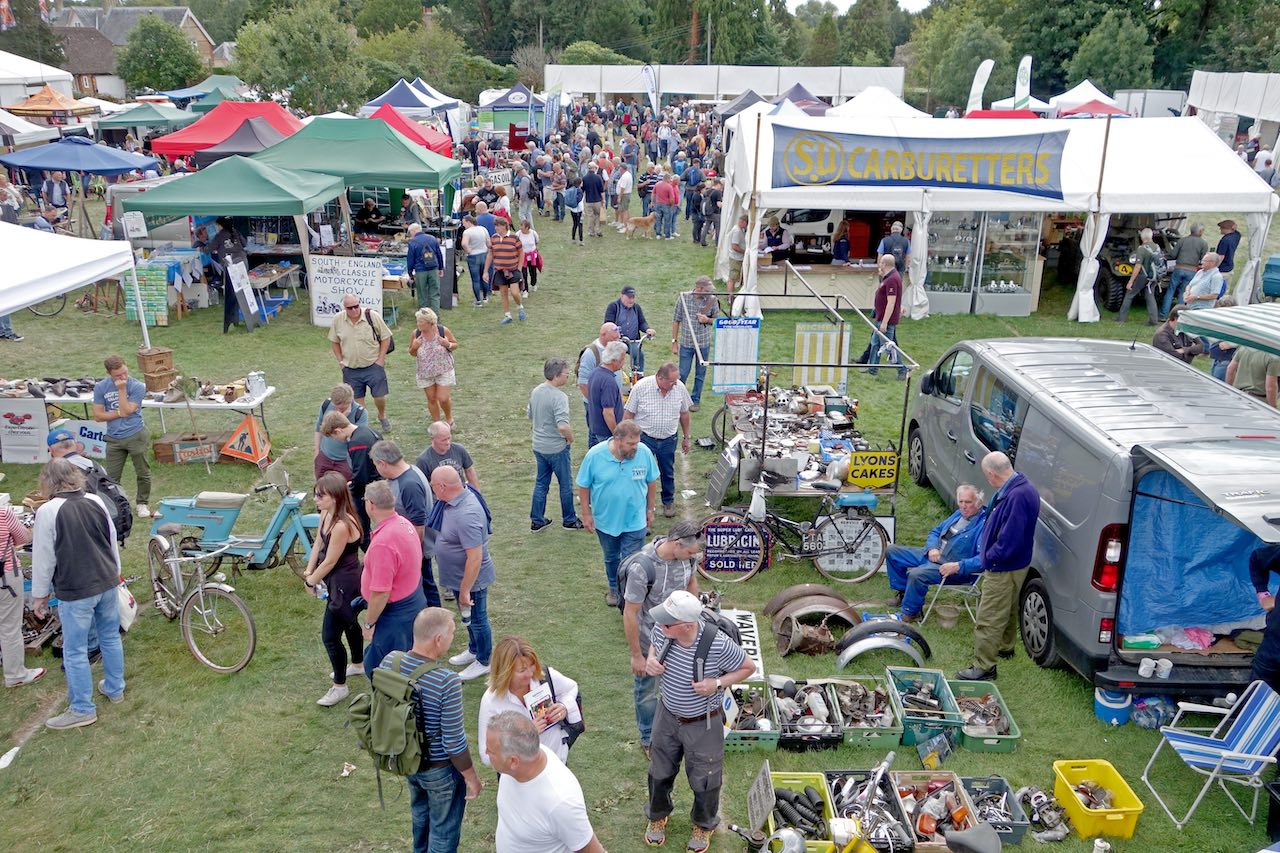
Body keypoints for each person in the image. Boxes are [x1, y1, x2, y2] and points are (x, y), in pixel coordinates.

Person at [642, 590, 754, 851]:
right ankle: (657, 816)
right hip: (667, 715)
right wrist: (650, 660)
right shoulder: (664, 630)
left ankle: (703, 826)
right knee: (659, 771)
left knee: (706, 778)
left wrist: (716, 683)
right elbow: (655, 644)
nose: (660, 625)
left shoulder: (717, 644)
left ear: (687, 625)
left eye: (667, 622)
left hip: (703, 723)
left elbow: (748, 667)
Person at [31, 459, 125, 729]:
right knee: (109, 636)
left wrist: (39, 596)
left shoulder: (48, 511)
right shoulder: (96, 501)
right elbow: (111, 540)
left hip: (76, 590)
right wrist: (115, 573)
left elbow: (44, 558)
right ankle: (115, 688)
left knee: (75, 650)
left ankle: (82, 708)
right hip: (106, 581)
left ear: (48, 481)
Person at [381, 606, 483, 853]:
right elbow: (454, 742)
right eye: (451, 634)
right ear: (438, 639)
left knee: (420, 818)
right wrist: (471, 777)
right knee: (443, 833)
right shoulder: (447, 680)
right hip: (440, 771)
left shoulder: (390, 661)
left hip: (407, 760)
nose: (452, 638)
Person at [949, 451, 1041, 680]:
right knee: (1008, 606)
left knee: (988, 616)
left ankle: (984, 666)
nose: (987, 480)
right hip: (1015, 563)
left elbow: (1009, 540)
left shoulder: (1017, 496)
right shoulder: (1020, 485)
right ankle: (1005, 647)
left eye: (986, 475)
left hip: (1003, 565)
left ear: (991, 474)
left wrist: (990, 557)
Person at [622, 522, 702, 755]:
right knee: (647, 692)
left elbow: (691, 582)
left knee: (682, 685)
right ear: (676, 544)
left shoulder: (688, 557)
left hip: (682, 639)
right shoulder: (642, 567)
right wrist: (637, 656)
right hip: (651, 643)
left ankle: (679, 729)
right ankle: (648, 738)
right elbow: (630, 612)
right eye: (689, 552)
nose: (692, 557)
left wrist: (694, 616)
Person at [489, 712, 604, 853]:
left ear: (513, 761)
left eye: (490, 751)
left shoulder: (561, 803)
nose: (485, 752)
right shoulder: (527, 756)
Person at [577, 421, 658, 606]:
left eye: (637, 443)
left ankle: (631, 595)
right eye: (631, 444)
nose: (635, 447)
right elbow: (583, 485)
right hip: (606, 521)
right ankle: (614, 588)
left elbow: (652, 481)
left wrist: (650, 509)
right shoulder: (595, 455)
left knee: (633, 561)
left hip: (635, 520)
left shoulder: (644, 452)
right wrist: (586, 514)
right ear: (617, 439)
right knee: (611, 558)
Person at [303, 472, 364, 707]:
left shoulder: (341, 525)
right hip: (335, 581)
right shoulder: (326, 514)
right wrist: (308, 572)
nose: (316, 499)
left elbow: (329, 560)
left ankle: (340, 686)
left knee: (329, 637)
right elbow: (318, 543)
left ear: (336, 497)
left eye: (321, 495)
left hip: (345, 585)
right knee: (349, 624)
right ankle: (358, 664)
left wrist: (311, 582)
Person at [885, 485, 989, 623]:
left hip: (951, 568)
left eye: (968, 502)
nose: (963, 506)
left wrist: (958, 566)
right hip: (934, 556)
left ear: (979, 503)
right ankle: (904, 593)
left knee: (917, 574)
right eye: (961, 501)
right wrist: (932, 547)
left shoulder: (984, 526)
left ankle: (912, 612)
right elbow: (935, 531)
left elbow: (982, 560)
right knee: (892, 551)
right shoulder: (959, 514)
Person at [429, 466, 495, 682]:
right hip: (458, 577)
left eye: (433, 486)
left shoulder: (467, 513)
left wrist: (466, 590)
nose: (432, 490)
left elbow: (475, 557)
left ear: (442, 486)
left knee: (477, 619)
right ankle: (474, 649)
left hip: (471, 580)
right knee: (469, 617)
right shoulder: (451, 502)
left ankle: (484, 660)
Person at [359, 480, 428, 679]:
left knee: (385, 671)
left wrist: (369, 624)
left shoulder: (384, 542)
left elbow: (381, 592)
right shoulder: (404, 523)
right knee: (409, 662)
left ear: (370, 505)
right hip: (413, 600)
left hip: (394, 615)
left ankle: (392, 708)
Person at [479, 638, 582, 767]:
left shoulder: (545, 676)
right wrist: (524, 735)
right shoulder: (491, 701)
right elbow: (486, 755)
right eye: (522, 670)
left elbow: (572, 687)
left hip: (556, 762)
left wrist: (564, 706)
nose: (530, 674)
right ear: (505, 671)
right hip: (519, 775)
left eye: (531, 665)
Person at [371, 440, 441, 608]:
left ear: (383, 463)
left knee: (425, 585)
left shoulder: (408, 484)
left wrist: (413, 553)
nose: (376, 470)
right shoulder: (409, 471)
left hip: (416, 547)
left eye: (376, 465)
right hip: (410, 545)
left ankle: (435, 620)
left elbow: (419, 525)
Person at [624, 363, 691, 519]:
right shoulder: (641, 387)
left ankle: (668, 501)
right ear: (660, 378)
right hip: (645, 439)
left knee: (667, 472)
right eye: (671, 382)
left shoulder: (679, 388)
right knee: (641, 473)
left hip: (669, 439)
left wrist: (686, 437)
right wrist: (626, 439)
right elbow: (628, 414)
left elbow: (685, 414)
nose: (675, 385)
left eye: (676, 381)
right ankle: (642, 507)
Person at [92, 354, 151, 518]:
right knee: (111, 476)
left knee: (142, 472)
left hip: (136, 434)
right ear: (108, 373)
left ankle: (142, 503)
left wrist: (121, 389)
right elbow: (98, 416)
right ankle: (114, 506)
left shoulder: (137, 386)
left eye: (124, 372)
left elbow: (127, 411)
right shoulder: (101, 387)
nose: (123, 377)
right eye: (118, 375)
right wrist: (119, 412)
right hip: (113, 437)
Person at [529, 358, 583, 532]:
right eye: (566, 374)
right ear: (556, 376)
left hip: (538, 445)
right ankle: (569, 520)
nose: (568, 377)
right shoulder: (559, 397)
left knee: (541, 483)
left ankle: (537, 520)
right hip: (556, 448)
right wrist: (570, 438)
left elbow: (530, 414)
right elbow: (562, 425)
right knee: (565, 484)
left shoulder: (536, 391)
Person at [329, 294, 393, 432]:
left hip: (373, 365)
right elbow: (334, 341)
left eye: (356, 306)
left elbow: (386, 337)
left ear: (359, 304)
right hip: (351, 368)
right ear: (344, 308)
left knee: (379, 396)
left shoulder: (372, 316)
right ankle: (364, 427)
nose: (353, 310)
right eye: (349, 308)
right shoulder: (338, 320)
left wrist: (381, 359)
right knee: (358, 401)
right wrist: (341, 362)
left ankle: (382, 416)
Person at [320, 410, 382, 545]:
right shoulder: (368, 430)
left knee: (361, 530)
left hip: (369, 490)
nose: (336, 440)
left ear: (338, 431)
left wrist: (347, 491)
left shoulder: (356, 443)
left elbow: (360, 476)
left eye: (333, 436)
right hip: (380, 483)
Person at [1, 502, 43, 688]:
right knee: (9, 626)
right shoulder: (3, 512)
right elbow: (23, 537)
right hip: (5, 576)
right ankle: (15, 674)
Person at [672, 276, 718, 411]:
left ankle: (695, 400)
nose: (709, 292)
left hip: (703, 343)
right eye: (707, 289)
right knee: (683, 373)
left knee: (700, 374)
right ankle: (677, 398)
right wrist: (674, 341)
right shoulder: (684, 298)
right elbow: (676, 320)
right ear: (699, 288)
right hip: (686, 343)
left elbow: (717, 321)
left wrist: (707, 320)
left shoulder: (712, 300)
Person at [410, 309, 459, 426]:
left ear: (430, 322)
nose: (418, 324)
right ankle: (437, 424)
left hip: (444, 369)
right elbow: (412, 353)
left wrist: (448, 344)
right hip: (425, 372)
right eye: (418, 321)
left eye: (421, 321)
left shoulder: (442, 330)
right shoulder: (415, 334)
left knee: (442, 398)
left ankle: (449, 419)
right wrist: (414, 347)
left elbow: (455, 344)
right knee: (431, 399)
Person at [865, 254, 908, 380]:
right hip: (881, 317)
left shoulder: (892, 279)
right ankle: (873, 368)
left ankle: (902, 369)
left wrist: (884, 322)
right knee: (874, 343)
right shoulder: (889, 277)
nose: (879, 265)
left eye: (880, 263)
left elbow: (891, 301)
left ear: (884, 264)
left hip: (886, 320)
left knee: (889, 347)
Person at [313, 383, 367, 480]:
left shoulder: (361, 413)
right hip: (324, 456)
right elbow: (318, 428)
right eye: (335, 406)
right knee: (321, 488)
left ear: (350, 401)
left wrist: (342, 418)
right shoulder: (326, 404)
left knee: (345, 491)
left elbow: (357, 439)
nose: (338, 409)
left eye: (342, 407)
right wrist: (317, 451)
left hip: (345, 461)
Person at [206, 216, 248, 334]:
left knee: (232, 294)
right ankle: (238, 317)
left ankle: (231, 318)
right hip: (242, 262)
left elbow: (210, 248)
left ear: (221, 225)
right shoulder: (236, 232)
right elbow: (244, 243)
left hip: (231, 265)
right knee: (242, 290)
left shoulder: (220, 235)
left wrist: (201, 246)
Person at [485, 217, 527, 325]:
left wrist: (519, 267)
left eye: (498, 226)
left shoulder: (514, 237)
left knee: (514, 292)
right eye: (496, 226)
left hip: (513, 270)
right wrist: (485, 271)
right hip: (499, 270)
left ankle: (520, 307)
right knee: (503, 293)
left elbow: (521, 252)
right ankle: (507, 315)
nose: (496, 228)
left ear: (504, 226)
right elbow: (490, 254)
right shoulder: (493, 238)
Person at [586, 341, 628, 448]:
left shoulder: (595, 373)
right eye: (622, 359)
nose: (624, 362)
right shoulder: (608, 381)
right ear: (614, 360)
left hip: (596, 428)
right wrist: (616, 434)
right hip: (606, 434)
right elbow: (608, 412)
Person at [1162, 223, 1209, 319]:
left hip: (1179, 268)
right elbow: (1203, 259)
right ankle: (1178, 316)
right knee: (1183, 293)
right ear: (1200, 232)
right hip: (1191, 270)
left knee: (1170, 291)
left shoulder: (1182, 240)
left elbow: (1173, 255)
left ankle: (1163, 315)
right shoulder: (1203, 243)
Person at [1117, 227, 1162, 326]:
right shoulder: (1157, 247)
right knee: (1150, 297)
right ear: (1151, 236)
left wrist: (1131, 281)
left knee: (1129, 295)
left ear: (1142, 237)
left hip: (1143, 276)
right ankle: (1154, 320)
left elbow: (1137, 266)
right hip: (1154, 277)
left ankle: (1121, 318)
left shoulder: (1142, 249)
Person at [605, 286, 655, 373]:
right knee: (616, 358)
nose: (631, 300)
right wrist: (616, 334)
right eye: (629, 297)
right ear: (622, 296)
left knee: (639, 355)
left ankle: (638, 377)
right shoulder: (613, 307)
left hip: (632, 341)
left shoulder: (636, 308)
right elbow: (608, 325)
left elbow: (642, 322)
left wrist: (647, 330)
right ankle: (614, 376)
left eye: (633, 297)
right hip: (617, 341)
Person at [416, 421, 479, 489]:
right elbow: (421, 485)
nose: (448, 442)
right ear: (432, 439)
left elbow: (469, 471)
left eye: (449, 438)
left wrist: (477, 494)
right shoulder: (424, 460)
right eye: (443, 440)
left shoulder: (459, 449)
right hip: (439, 498)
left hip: (462, 493)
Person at [406, 223, 444, 312]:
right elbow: (439, 255)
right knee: (435, 294)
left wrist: (410, 273)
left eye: (410, 232)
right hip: (433, 269)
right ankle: (436, 317)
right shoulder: (432, 239)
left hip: (420, 271)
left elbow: (410, 259)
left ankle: (424, 317)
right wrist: (441, 268)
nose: (410, 235)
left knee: (422, 295)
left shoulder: (412, 242)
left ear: (413, 230)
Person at [460, 214, 491, 308]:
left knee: (475, 279)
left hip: (473, 256)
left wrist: (468, 251)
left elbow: (464, 243)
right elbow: (488, 242)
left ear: (469, 222)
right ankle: (485, 297)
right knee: (484, 276)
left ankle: (478, 300)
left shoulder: (467, 232)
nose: (463, 225)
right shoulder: (483, 229)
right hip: (484, 254)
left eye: (464, 223)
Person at [517, 219, 542, 295]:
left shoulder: (533, 233)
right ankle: (525, 290)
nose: (520, 227)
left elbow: (537, 241)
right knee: (523, 274)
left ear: (527, 227)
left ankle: (533, 284)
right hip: (522, 257)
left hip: (532, 257)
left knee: (533, 272)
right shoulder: (518, 234)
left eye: (522, 226)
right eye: (520, 225)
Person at [581, 163, 605, 238]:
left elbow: (582, 189)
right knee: (598, 216)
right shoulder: (598, 177)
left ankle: (591, 231)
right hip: (597, 200)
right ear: (594, 168)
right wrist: (603, 200)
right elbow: (602, 190)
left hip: (588, 200)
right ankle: (598, 230)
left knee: (591, 217)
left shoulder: (584, 178)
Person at [727, 214, 749, 295]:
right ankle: (730, 298)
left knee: (734, 278)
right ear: (743, 222)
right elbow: (735, 246)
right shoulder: (737, 231)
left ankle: (732, 296)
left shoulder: (739, 229)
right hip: (736, 258)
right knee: (732, 279)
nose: (747, 226)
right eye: (747, 223)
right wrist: (745, 252)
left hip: (738, 258)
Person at [653, 173, 680, 240]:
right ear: (667, 178)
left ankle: (658, 234)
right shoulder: (669, 186)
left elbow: (653, 193)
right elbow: (671, 198)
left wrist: (652, 202)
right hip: (666, 205)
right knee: (667, 220)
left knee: (658, 219)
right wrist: (672, 204)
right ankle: (667, 235)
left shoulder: (657, 184)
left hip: (658, 204)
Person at [1218, 219, 1242, 291]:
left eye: (1222, 228)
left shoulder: (1224, 241)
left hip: (1222, 269)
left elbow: (1221, 256)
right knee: (1225, 290)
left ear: (1227, 229)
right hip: (1229, 267)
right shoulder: (1237, 235)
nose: (1220, 229)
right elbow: (1236, 231)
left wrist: (1214, 268)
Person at [564, 177, 585, 245]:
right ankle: (581, 240)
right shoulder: (579, 191)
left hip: (572, 210)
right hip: (579, 210)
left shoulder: (571, 189)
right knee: (580, 224)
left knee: (574, 224)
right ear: (580, 183)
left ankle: (573, 238)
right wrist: (582, 211)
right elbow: (579, 201)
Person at [614, 162, 633, 232]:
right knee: (624, 210)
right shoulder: (627, 175)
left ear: (622, 168)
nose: (619, 169)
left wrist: (619, 197)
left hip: (624, 195)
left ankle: (625, 227)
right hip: (626, 194)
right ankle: (624, 224)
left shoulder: (625, 176)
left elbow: (623, 188)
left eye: (620, 168)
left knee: (624, 211)